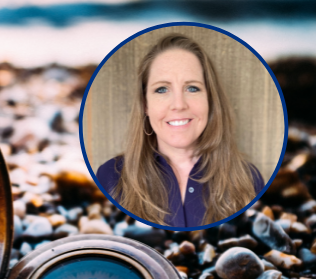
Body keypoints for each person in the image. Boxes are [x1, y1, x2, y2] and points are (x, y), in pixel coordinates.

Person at [96, 34, 264, 227]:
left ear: (210, 101)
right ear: (145, 105)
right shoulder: (111, 177)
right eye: (161, 89)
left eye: (192, 88)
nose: (178, 105)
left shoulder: (248, 179)